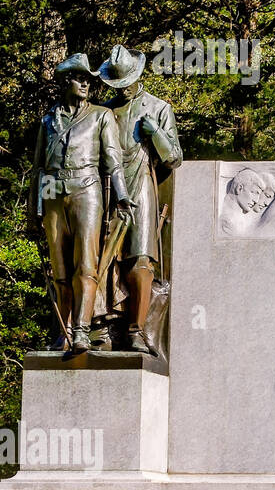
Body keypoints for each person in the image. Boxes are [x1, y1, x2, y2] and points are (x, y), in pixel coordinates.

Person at [29, 54, 132, 351]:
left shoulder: (101, 115)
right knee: (59, 268)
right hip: (51, 193)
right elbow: (38, 167)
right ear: (66, 81)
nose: (86, 84)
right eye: (80, 78)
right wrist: (31, 211)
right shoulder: (48, 120)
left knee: (86, 264)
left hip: (86, 189)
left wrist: (122, 196)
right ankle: (64, 332)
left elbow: (113, 161)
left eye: (89, 79)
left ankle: (82, 330)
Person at [97, 45, 183, 352]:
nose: (124, 89)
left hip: (143, 184)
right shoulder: (104, 112)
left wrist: (156, 132)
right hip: (109, 189)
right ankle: (105, 326)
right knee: (103, 261)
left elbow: (174, 158)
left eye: (128, 82)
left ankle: (136, 329)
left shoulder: (159, 108)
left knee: (141, 260)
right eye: (118, 84)